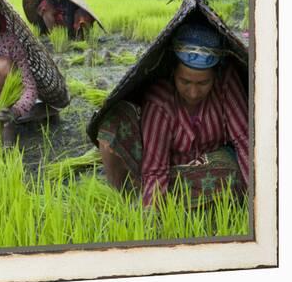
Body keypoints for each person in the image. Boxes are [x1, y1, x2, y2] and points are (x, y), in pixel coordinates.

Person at [97, 21, 249, 206]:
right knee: (112, 128)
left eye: (203, 83)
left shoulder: (226, 82)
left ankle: (166, 199)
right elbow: (155, 168)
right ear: (173, 73)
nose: (193, 93)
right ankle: (133, 198)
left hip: (212, 169)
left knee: (229, 172)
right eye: (185, 82)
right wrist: (151, 220)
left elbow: (244, 140)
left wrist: (258, 199)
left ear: (215, 77)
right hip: (169, 171)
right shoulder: (161, 100)